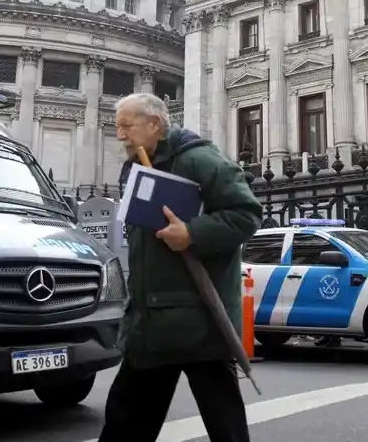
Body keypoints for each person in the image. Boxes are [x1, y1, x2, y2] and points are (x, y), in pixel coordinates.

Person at [97, 93, 263, 442]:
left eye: (127, 126)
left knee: (223, 423)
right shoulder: (141, 166)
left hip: (199, 321)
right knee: (126, 419)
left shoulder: (199, 160)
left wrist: (192, 233)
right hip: (152, 322)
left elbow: (246, 215)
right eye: (118, 128)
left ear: (154, 123)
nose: (121, 135)